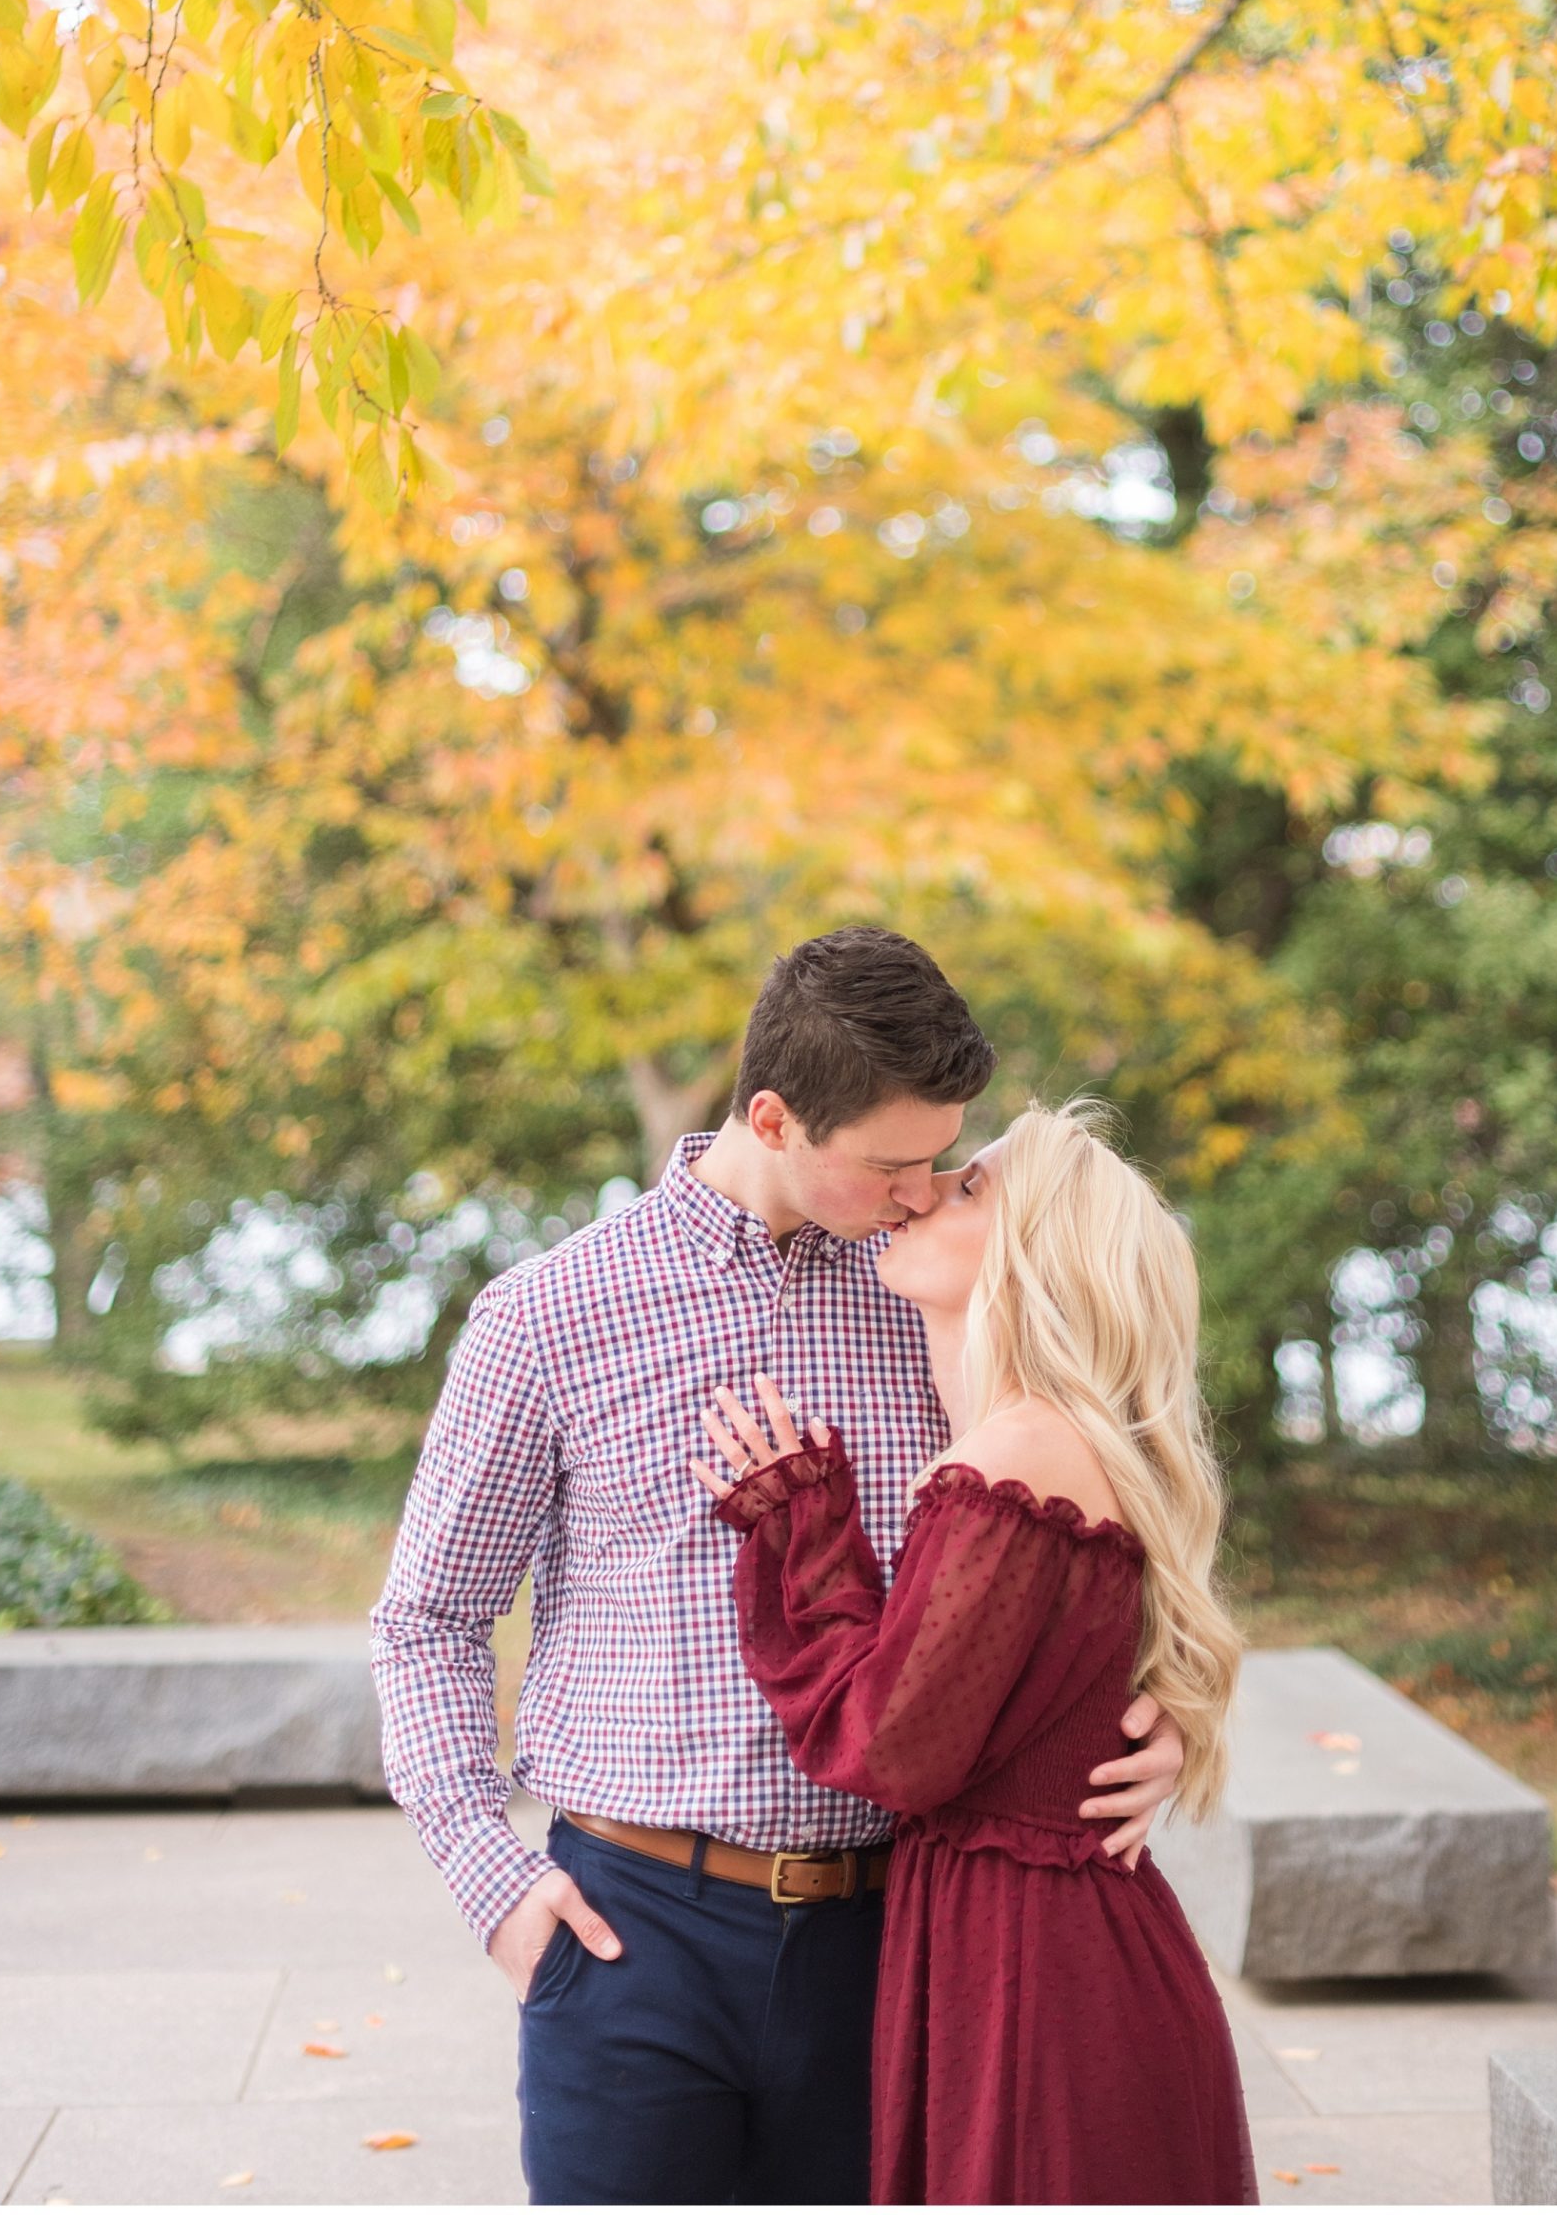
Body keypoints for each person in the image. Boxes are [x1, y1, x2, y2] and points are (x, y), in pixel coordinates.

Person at [371, 928, 1189, 2206]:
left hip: (895, 1942)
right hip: (632, 1932)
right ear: (774, 1117)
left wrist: (1159, 1715)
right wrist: (499, 1889)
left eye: (943, 1162)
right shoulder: (550, 1312)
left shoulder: (941, 1292)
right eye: (893, 1165)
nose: (923, 1191)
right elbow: (426, 1618)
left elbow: (1088, 1508)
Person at [692, 1099, 1258, 2206]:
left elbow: (894, 1744)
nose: (920, 1190)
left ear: (1029, 1252)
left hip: (1039, 1974)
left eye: (964, 1187)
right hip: (1027, 1942)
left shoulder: (1016, 1459)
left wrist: (804, 1525)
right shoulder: (1036, 1443)